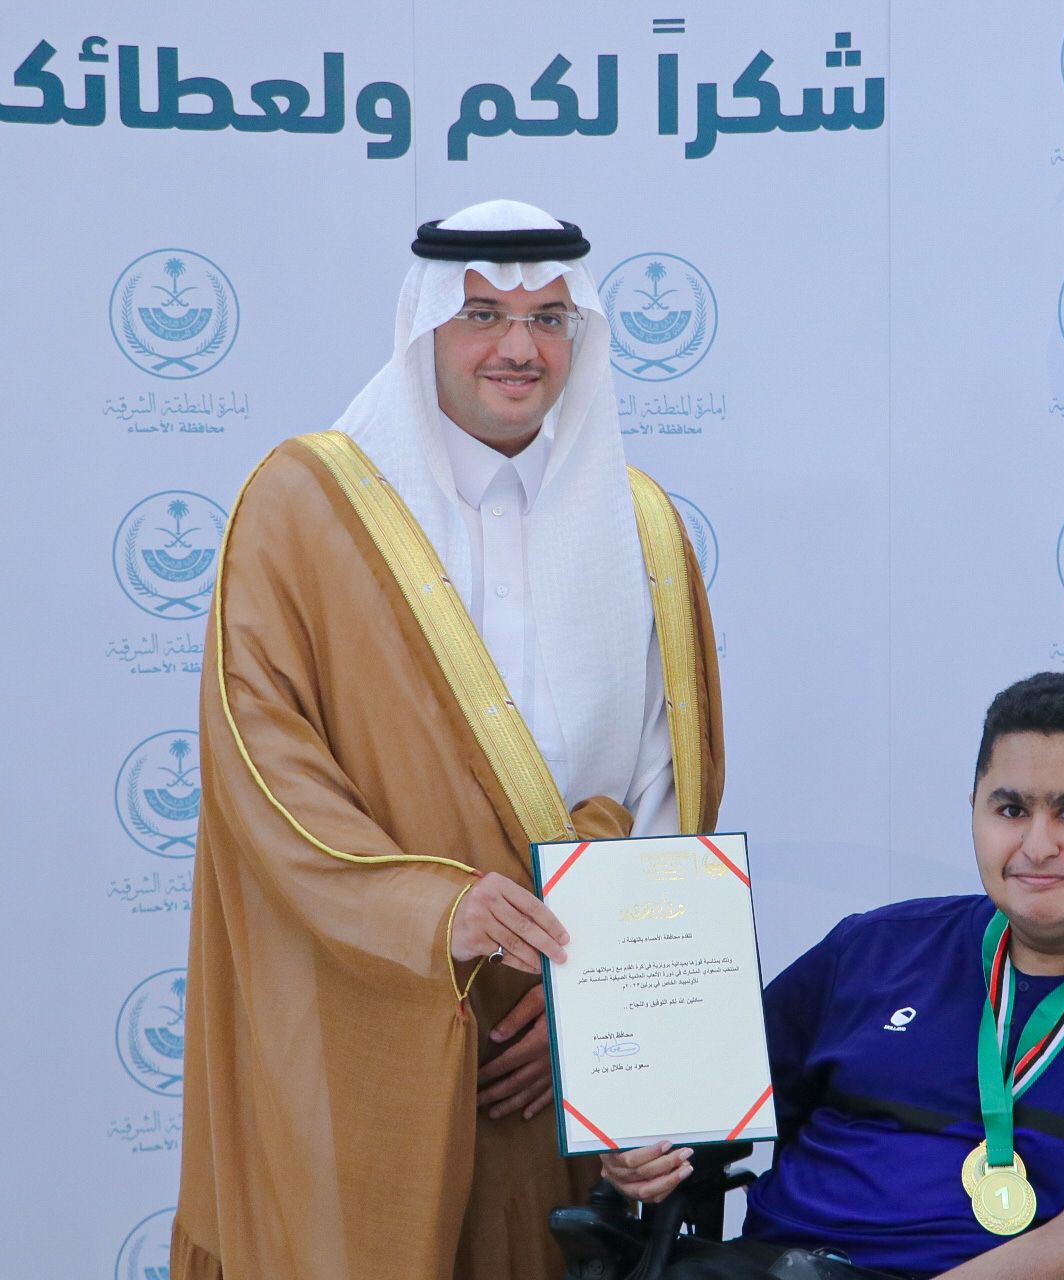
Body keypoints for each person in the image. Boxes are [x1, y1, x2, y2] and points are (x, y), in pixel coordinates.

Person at [171, 199, 724, 1280]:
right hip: (364, 997)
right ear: (425, 324)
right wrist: (435, 914)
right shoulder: (301, 507)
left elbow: (670, 789)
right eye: (482, 315)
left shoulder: (643, 526)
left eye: (549, 318)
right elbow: (262, 764)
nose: (519, 347)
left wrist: (596, 1009)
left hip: (559, 1043)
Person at [604, 673, 1064, 1280]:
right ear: (974, 810)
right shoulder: (869, 951)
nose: (1038, 845)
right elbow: (697, 1100)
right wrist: (642, 1152)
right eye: (1010, 810)